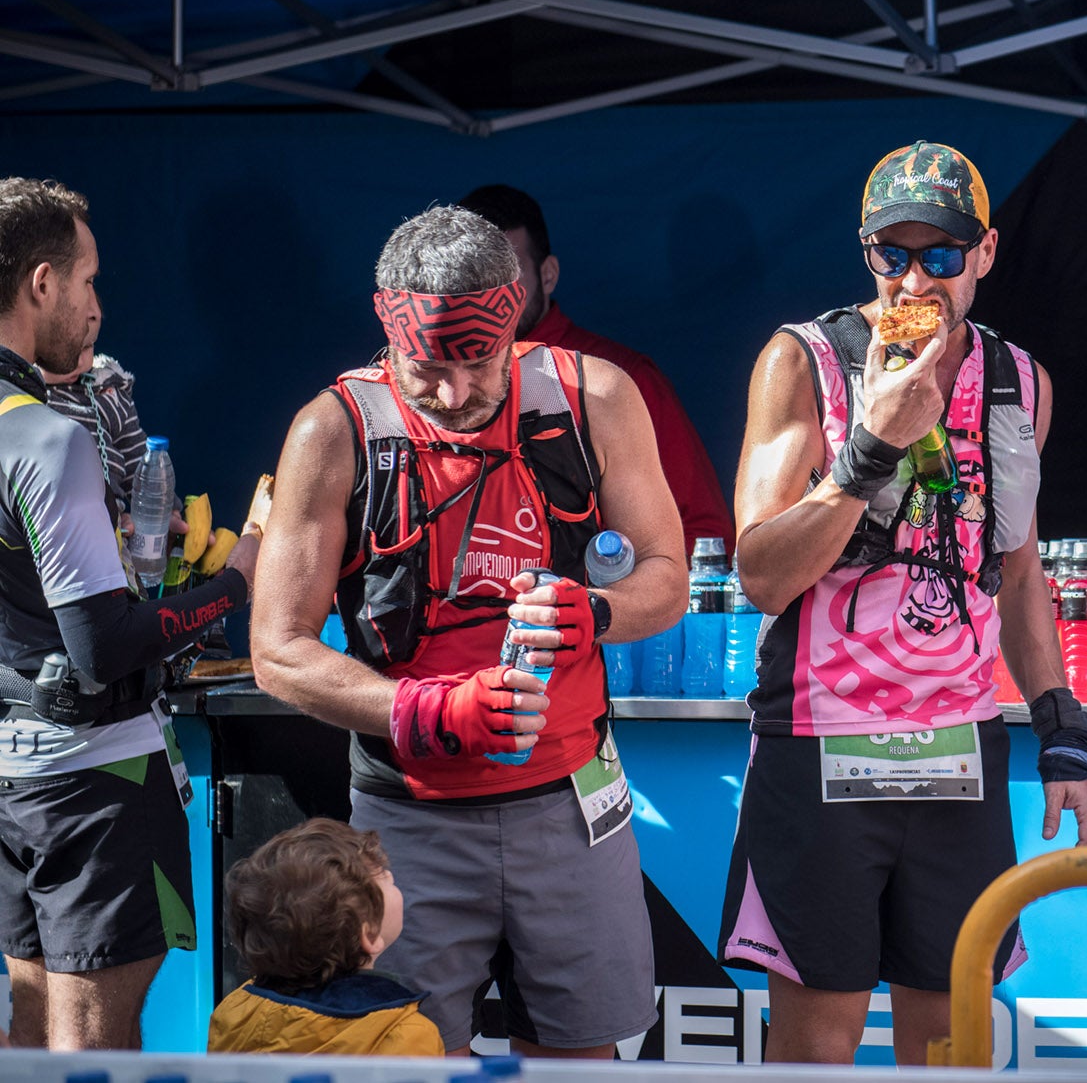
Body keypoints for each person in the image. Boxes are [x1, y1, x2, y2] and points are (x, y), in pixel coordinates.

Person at [249, 205, 689, 1058]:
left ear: (516, 311)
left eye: (478, 361)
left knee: (583, 1059)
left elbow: (669, 577)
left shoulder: (595, 397)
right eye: (427, 369)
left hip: (573, 803)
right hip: (407, 821)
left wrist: (594, 611)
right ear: (389, 333)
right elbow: (277, 651)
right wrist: (426, 710)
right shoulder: (334, 430)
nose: (454, 393)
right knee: (410, 1058)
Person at [720, 141, 1087, 1065]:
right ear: (866, 252)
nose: (915, 279)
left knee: (949, 1044)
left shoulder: (1020, 380)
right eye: (894, 254)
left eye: (941, 255)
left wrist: (1061, 725)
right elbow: (762, 572)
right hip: (823, 745)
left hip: (959, 749)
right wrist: (873, 445)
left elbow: (1014, 570)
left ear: (986, 253)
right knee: (819, 1042)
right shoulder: (805, 360)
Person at [0, 177, 263, 1050]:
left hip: (12, 777)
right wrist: (236, 583)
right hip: (93, 779)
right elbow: (105, 646)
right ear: (41, 282)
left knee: (31, 1028)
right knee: (92, 1043)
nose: (96, 305)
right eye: (87, 280)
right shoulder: (46, 435)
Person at [458, 184, 735, 551]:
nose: (490, 297)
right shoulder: (426, 386)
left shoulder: (617, 378)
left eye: (507, 275)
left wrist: (618, 599)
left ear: (548, 274)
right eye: (473, 279)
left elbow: (704, 537)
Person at [210, 818, 441, 1056]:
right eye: (384, 876)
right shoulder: (405, 1035)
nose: (392, 878)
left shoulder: (234, 1011)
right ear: (369, 935)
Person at [37, 346, 149, 509]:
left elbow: (136, 459)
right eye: (66, 349)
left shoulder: (108, 392)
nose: (78, 361)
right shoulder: (24, 393)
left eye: (86, 347)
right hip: (51, 515)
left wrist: (163, 508)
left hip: (109, 519)